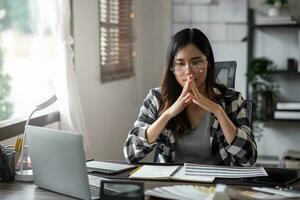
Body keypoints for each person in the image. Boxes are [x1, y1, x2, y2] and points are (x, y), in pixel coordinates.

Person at [123, 28, 257, 166]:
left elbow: (249, 158)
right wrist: (167, 114)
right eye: (180, 64)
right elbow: (131, 153)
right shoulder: (157, 99)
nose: (188, 71)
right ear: (172, 68)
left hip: (217, 182)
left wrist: (218, 111)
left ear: (208, 63)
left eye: (197, 62)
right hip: (171, 181)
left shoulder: (232, 99)